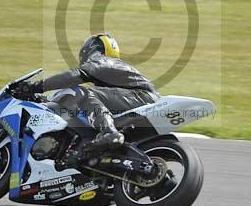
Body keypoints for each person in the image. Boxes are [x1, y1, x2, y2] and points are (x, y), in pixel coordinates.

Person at [17, 33, 159, 152]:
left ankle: (109, 132)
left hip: (142, 97)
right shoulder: (113, 72)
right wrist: (44, 100)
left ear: (90, 48)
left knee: (85, 93)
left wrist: (36, 86)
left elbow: (74, 76)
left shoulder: (101, 60)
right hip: (140, 101)